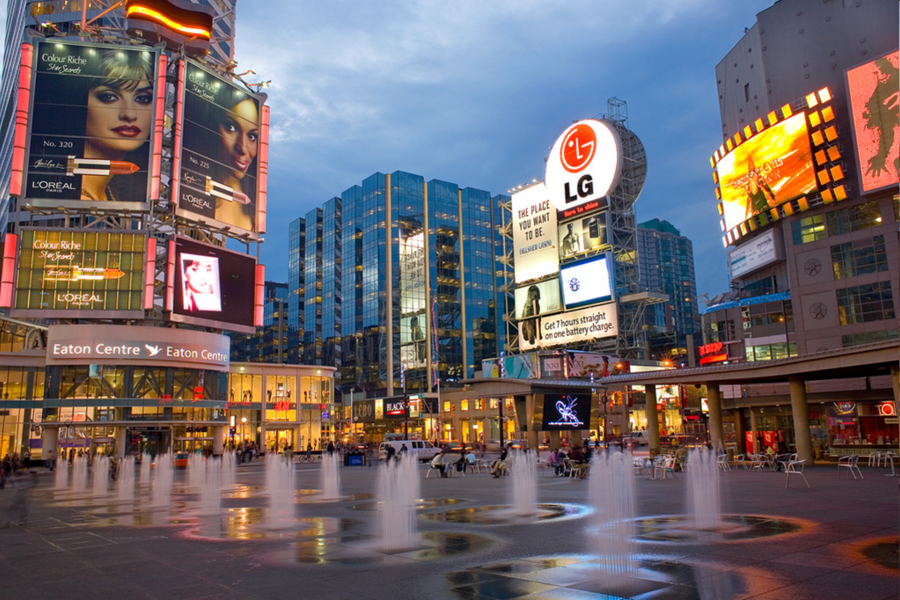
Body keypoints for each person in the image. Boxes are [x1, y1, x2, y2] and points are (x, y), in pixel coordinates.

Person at [80, 50, 154, 202]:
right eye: (108, 97)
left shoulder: (110, 194)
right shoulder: (68, 200)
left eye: (143, 98)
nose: (129, 113)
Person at [212, 95, 259, 231]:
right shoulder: (195, 191)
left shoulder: (252, 208)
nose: (243, 148)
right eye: (231, 127)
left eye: (252, 136)